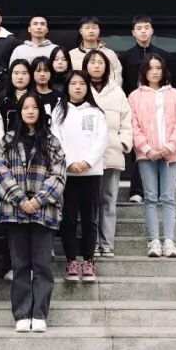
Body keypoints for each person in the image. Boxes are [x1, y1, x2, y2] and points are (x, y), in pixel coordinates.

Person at [0, 93, 66, 333]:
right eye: (25, 107)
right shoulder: (8, 140)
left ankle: (40, 313)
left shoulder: (52, 142)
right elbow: (1, 172)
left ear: (40, 112)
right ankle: (22, 313)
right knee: (21, 265)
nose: (30, 111)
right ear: (19, 111)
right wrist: (20, 199)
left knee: (42, 265)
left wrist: (38, 200)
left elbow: (59, 175)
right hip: (15, 212)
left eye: (34, 107)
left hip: (44, 212)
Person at [128, 53, 176, 259]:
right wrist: (147, 149)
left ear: (164, 71)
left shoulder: (175, 95)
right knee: (150, 197)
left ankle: (169, 241)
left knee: (168, 198)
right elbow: (133, 126)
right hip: (147, 155)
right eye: (150, 68)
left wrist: (171, 146)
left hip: (171, 154)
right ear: (144, 71)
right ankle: (154, 241)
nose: (154, 72)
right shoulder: (135, 96)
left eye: (158, 68)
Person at [51, 71, 107, 283]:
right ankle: (72, 261)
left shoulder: (96, 112)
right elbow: (56, 138)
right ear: (67, 87)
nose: (77, 87)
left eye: (82, 83)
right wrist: (69, 162)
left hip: (91, 173)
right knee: (68, 219)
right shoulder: (59, 111)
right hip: (67, 174)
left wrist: (87, 162)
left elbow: (101, 140)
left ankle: (89, 260)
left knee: (90, 219)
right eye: (73, 83)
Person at [83, 50, 133, 259]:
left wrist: (123, 142)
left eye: (100, 62)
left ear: (107, 67)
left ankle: (107, 243)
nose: (96, 65)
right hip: (87, 156)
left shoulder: (117, 91)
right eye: (92, 62)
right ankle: (92, 243)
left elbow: (127, 121)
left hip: (112, 151)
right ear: (86, 65)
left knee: (109, 200)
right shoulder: (80, 87)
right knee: (90, 202)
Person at [116, 16, 169, 204]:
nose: (143, 31)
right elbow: (122, 85)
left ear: (152, 30)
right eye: (139, 28)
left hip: (159, 106)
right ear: (133, 33)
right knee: (139, 149)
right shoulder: (125, 56)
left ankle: (160, 190)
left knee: (160, 147)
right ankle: (137, 190)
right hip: (134, 107)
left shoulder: (163, 55)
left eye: (146, 27)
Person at [68, 16, 123, 88]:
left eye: (94, 28)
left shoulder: (110, 54)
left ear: (99, 30)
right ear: (81, 31)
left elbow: (117, 77)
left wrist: (109, 92)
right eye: (87, 28)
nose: (91, 31)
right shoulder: (72, 54)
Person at [0, 59, 34, 135]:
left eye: (24, 73)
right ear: (10, 75)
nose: (20, 77)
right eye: (16, 73)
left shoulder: (36, 97)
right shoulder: (3, 97)